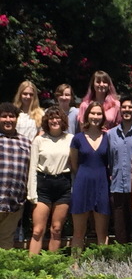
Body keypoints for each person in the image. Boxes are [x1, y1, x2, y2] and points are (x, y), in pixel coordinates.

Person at [27, 106, 73, 254]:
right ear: (47, 121)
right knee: (37, 230)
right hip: (43, 185)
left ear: (63, 120)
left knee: (57, 228)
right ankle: (32, 266)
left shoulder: (70, 139)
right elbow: (32, 167)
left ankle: (52, 265)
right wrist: (32, 192)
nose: (55, 121)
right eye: (51, 118)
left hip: (63, 184)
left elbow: (74, 166)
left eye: (57, 117)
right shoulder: (39, 140)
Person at [70, 101, 110, 250]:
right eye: (93, 113)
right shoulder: (77, 138)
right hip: (82, 183)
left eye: (99, 113)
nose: (96, 116)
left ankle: (101, 266)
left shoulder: (108, 137)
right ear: (87, 115)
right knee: (79, 232)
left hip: (102, 184)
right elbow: (74, 164)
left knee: (102, 232)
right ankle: (75, 266)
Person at [107, 95, 132, 245]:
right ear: (120, 109)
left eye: (130, 107)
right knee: (120, 228)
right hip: (117, 187)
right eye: (124, 107)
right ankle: (122, 262)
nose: (127, 110)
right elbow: (109, 159)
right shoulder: (111, 134)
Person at [0, 103, 31, 249]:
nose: (8, 119)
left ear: (16, 119)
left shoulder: (26, 142)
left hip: (15, 202)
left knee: (6, 239)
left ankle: (3, 270)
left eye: (11, 116)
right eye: (4, 116)